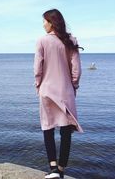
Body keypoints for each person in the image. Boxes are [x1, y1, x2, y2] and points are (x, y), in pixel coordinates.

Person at [34, 9, 84, 179]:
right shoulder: (71, 40)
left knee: (47, 128)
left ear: (51, 22)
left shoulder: (41, 41)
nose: (43, 25)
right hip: (66, 91)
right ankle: (61, 170)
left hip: (46, 91)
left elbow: (37, 69)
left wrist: (38, 86)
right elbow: (76, 70)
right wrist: (74, 86)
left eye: (44, 21)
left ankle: (53, 168)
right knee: (66, 130)